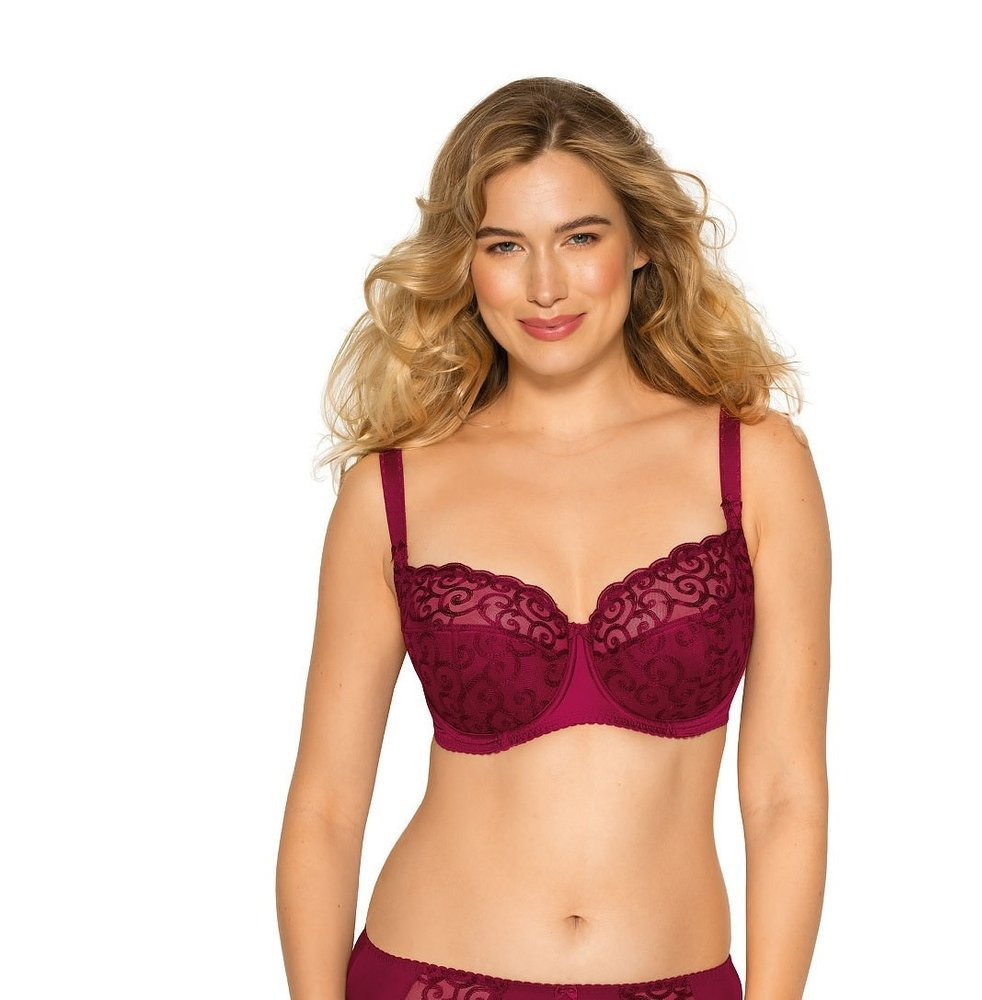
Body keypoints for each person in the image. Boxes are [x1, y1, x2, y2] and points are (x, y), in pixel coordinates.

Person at [276, 77, 831, 1000]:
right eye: (505, 245)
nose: (544, 287)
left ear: (641, 242)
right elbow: (327, 807)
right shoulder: (393, 488)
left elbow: (783, 794)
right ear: (466, 263)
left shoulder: (756, 463)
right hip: (424, 976)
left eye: (580, 238)